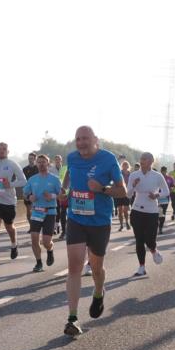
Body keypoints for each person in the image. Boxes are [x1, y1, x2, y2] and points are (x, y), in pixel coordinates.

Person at [60, 126, 126, 337]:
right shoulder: (72, 158)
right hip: (76, 218)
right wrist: (65, 190)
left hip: (99, 222)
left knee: (96, 268)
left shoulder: (108, 159)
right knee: (74, 266)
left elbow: (123, 190)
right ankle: (72, 318)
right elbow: (69, 174)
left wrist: (103, 189)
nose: (81, 143)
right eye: (78, 139)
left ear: (95, 140)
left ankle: (99, 292)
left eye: (85, 138)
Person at [0, 142, 27, 264]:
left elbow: (23, 181)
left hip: (8, 202)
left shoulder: (12, 164)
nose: (1, 151)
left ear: (8, 151)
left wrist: (10, 184)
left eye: (4, 149)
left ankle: (14, 244)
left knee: (9, 227)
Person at [126, 152, 168, 277]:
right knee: (139, 240)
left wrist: (156, 195)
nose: (142, 161)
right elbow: (128, 194)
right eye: (141, 158)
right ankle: (142, 267)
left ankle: (153, 250)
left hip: (152, 211)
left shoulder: (157, 175)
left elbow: (166, 191)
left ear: (151, 161)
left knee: (150, 239)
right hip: (137, 210)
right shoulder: (134, 175)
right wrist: (133, 186)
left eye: (144, 159)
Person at [22, 154, 61, 272]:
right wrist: (29, 197)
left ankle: (50, 250)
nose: (41, 164)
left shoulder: (54, 179)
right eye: (39, 162)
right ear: (36, 164)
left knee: (46, 242)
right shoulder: (32, 179)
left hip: (50, 211)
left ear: (48, 164)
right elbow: (25, 193)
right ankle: (38, 263)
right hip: (36, 212)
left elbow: (63, 195)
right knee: (34, 238)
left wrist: (52, 196)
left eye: (44, 162)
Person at [54, 154, 68, 237]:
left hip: (70, 193)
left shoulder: (66, 168)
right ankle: (63, 231)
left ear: (61, 160)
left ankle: (70, 229)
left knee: (71, 213)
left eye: (58, 159)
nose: (57, 160)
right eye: (56, 159)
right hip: (59, 193)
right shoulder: (51, 169)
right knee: (61, 212)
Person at [22, 152, 39, 222]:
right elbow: (22, 181)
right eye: (29, 158)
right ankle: (31, 226)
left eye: (31, 159)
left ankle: (36, 225)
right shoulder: (25, 169)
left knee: (35, 210)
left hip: (36, 192)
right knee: (29, 211)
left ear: (35, 159)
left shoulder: (38, 168)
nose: (30, 160)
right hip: (27, 192)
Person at [115, 160, 132, 231]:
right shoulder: (119, 173)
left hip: (126, 194)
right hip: (119, 194)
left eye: (126, 165)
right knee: (120, 210)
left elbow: (131, 184)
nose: (125, 166)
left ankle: (127, 222)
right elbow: (114, 181)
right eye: (124, 165)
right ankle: (121, 225)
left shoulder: (130, 174)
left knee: (125, 210)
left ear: (128, 166)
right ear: (122, 166)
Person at [157, 166, 174, 233]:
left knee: (162, 213)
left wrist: (170, 189)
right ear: (160, 171)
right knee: (158, 213)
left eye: (164, 171)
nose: (163, 172)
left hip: (165, 199)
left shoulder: (169, 178)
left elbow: (172, 186)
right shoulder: (158, 178)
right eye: (162, 171)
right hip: (157, 198)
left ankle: (160, 227)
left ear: (166, 171)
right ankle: (158, 225)